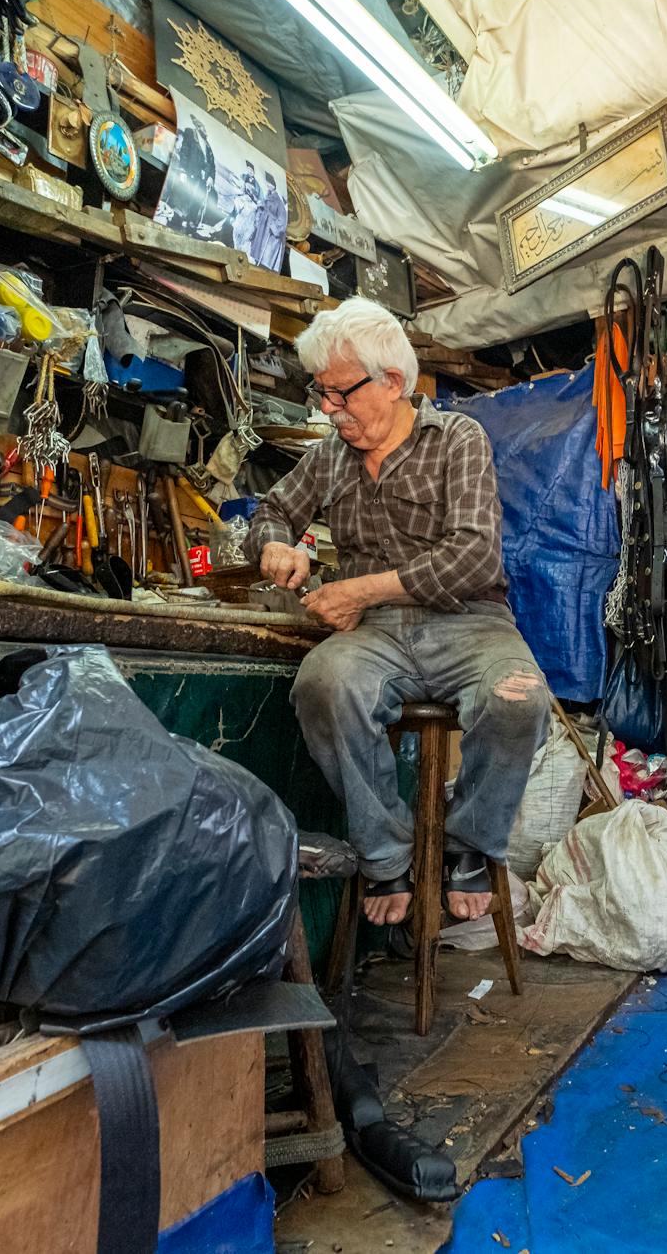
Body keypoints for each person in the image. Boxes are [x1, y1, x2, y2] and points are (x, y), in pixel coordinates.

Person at [244, 298, 549, 927]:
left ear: (391, 381)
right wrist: (274, 545)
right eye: (321, 393)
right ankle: (385, 853)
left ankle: (470, 843)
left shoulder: (457, 439)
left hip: (470, 621)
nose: (328, 409)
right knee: (324, 684)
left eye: (340, 393)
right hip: (376, 636)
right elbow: (271, 511)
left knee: (518, 699)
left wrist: (360, 591)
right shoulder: (330, 455)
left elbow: (473, 558)